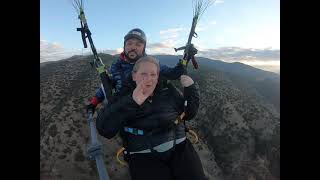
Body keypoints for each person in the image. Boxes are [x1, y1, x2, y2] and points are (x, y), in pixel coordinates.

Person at [96, 56, 207, 180]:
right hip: (144, 156)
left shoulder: (168, 90)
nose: (149, 79)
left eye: (153, 74)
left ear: (158, 76)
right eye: (143, 73)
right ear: (134, 75)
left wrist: (191, 90)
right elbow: (104, 129)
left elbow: (189, 114)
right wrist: (131, 102)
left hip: (179, 148)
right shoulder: (123, 95)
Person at [87, 28, 184, 112]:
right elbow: (106, 85)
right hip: (123, 113)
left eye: (138, 44)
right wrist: (94, 102)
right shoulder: (116, 66)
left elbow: (173, 74)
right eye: (129, 43)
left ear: (143, 48)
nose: (133, 47)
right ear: (124, 46)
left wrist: (184, 61)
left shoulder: (152, 64)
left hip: (147, 113)